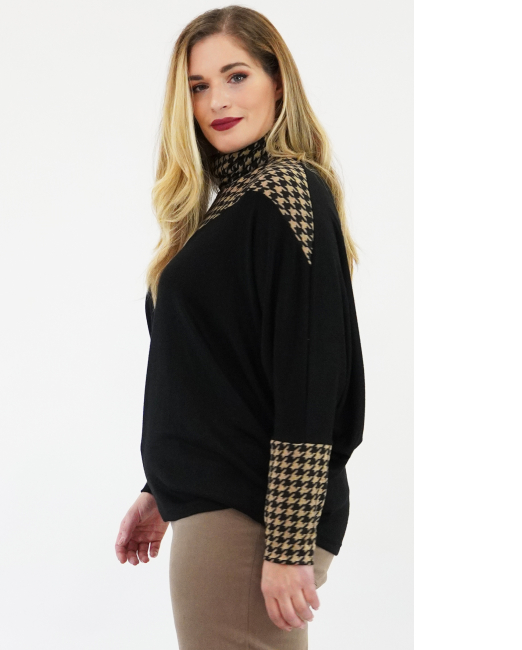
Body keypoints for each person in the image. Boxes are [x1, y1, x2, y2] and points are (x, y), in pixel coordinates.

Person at [114, 6, 365, 649]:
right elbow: (215, 372)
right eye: (198, 86)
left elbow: (310, 372)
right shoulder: (229, 204)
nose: (217, 101)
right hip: (226, 510)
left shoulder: (286, 190)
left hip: (253, 518)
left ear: (277, 81)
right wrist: (161, 487)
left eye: (236, 76)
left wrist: (287, 543)